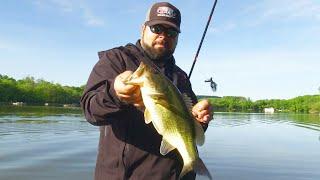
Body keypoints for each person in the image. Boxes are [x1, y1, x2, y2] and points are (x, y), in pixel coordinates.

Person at [80, 2, 213, 180]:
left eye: (171, 32)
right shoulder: (116, 59)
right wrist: (115, 95)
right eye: (157, 28)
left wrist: (200, 119)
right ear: (143, 28)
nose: (163, 36)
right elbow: (91, 110)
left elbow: (190, 128)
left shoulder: (180, 76)